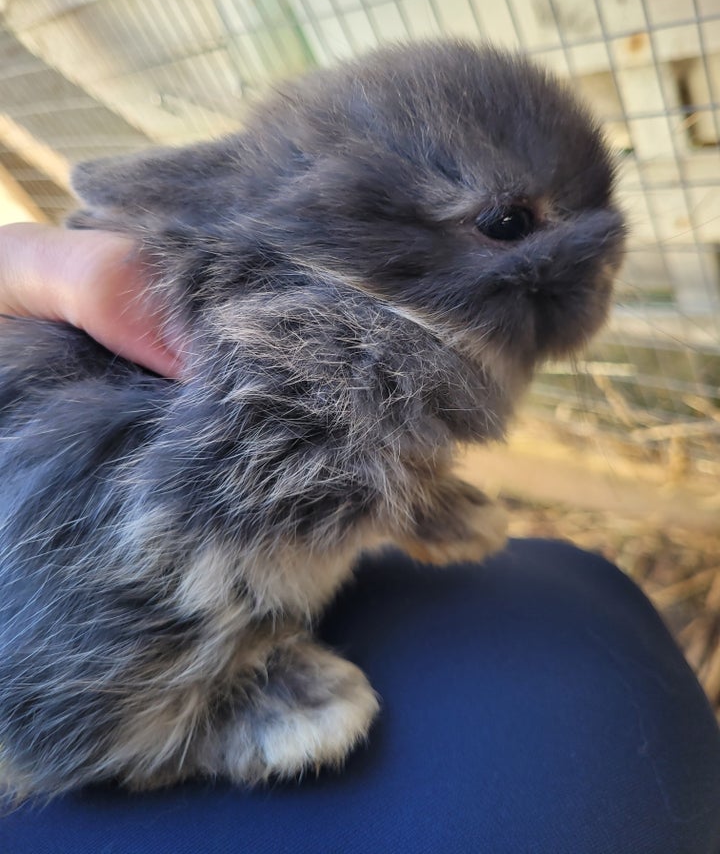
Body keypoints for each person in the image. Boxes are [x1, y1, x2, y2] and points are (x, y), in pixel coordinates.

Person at [1, 222, 719, 853]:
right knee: (569, 656)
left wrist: (400, 493)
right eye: (505, 225)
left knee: (570, 597)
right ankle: (200, 719)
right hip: (96, 654)